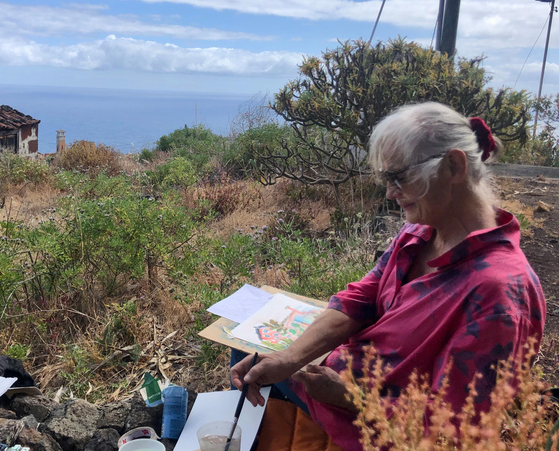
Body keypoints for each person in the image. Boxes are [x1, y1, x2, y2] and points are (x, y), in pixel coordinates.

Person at [231, 102, 546, 451]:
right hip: (338, 388)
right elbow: (361, 297)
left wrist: (351, 399)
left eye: (399, 177)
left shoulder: (499, 294)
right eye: (386, 179)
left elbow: (454, 431)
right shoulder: (419, 231)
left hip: (369, 428)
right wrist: (288, 358)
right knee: (251, 365)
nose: (390, 193)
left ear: (454, 166)